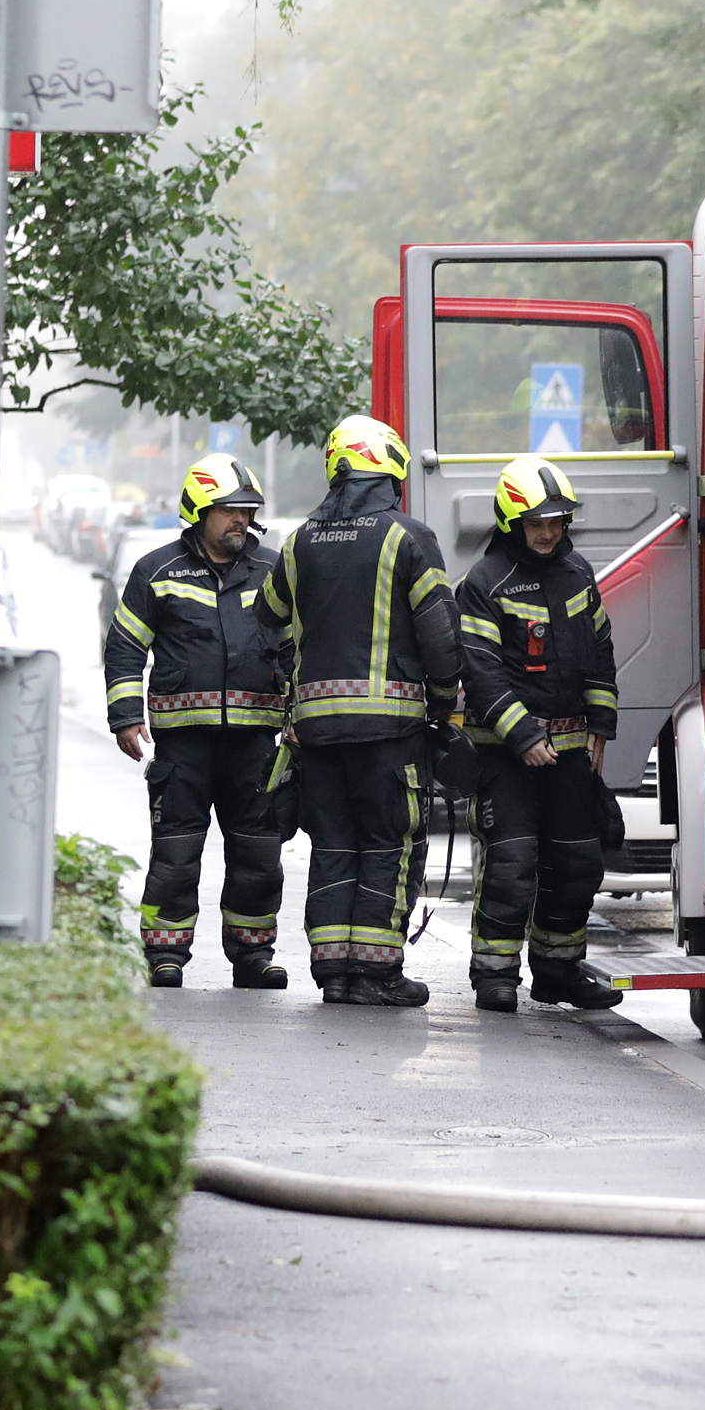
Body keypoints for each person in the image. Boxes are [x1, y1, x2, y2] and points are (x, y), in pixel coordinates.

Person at [258, 413, 462, 1007]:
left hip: (316, 734)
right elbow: (442, 638)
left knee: (333, 846)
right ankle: (376, 973)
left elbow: (268, 616)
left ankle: (335, 974)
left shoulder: (297, 542)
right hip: (389, 731)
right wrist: (444, 710)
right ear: (390, 470)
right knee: (388, 844)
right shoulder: (408, 537)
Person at [101, 454, 290, 990]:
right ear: (199, 511)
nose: (241, 519)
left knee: (258, 855)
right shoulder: (157, 571)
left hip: (255, 744)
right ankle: (165, 954)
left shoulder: (274, 571)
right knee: (176, 855)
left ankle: (253, 957)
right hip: (183, 749)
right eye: (229, 510)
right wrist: (124, 716)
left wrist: (297, 714)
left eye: (247, 510)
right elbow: (125, 646)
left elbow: (299, 646)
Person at [456, 456, 629, 1014]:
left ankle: (558, 972)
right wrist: (522, 734)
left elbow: (599, 650)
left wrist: (601, 721)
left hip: (572, 750)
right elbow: (479, 670)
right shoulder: (484, 583)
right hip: (505, 753)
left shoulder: (578, 572)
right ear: (511, 522)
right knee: (511, 864)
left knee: (578, 864)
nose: (549, 531)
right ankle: (495, 976)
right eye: (536, 523)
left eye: (556, 521)